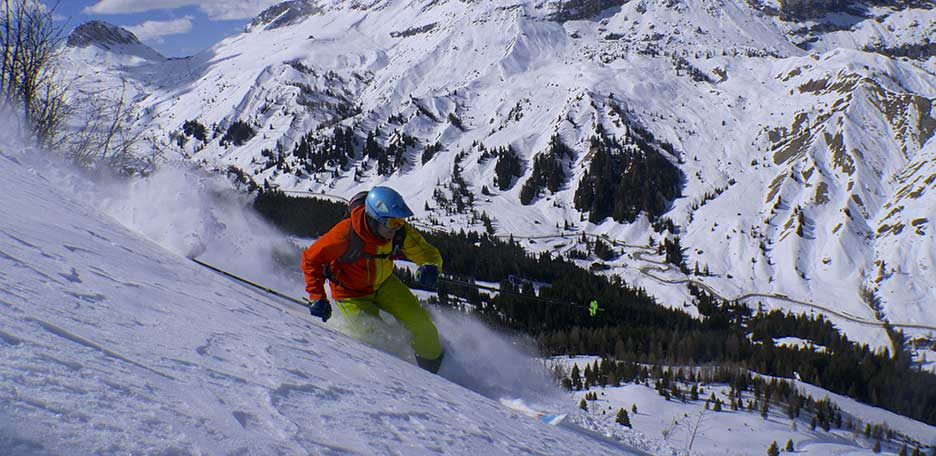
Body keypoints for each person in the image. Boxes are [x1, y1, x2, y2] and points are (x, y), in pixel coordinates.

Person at [301, 186, 445, 373]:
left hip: (384, 284)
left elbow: (427, 253)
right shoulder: (345, 233)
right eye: (392, 222)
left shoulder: (399, 231)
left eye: (400, 221)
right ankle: (405, 381)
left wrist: (431, 267)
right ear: (374, 218)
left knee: (425, 330)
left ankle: (438, 376)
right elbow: (311, 259)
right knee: (376, 339)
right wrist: (317, 296)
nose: (398, 226)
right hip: (350, 294)